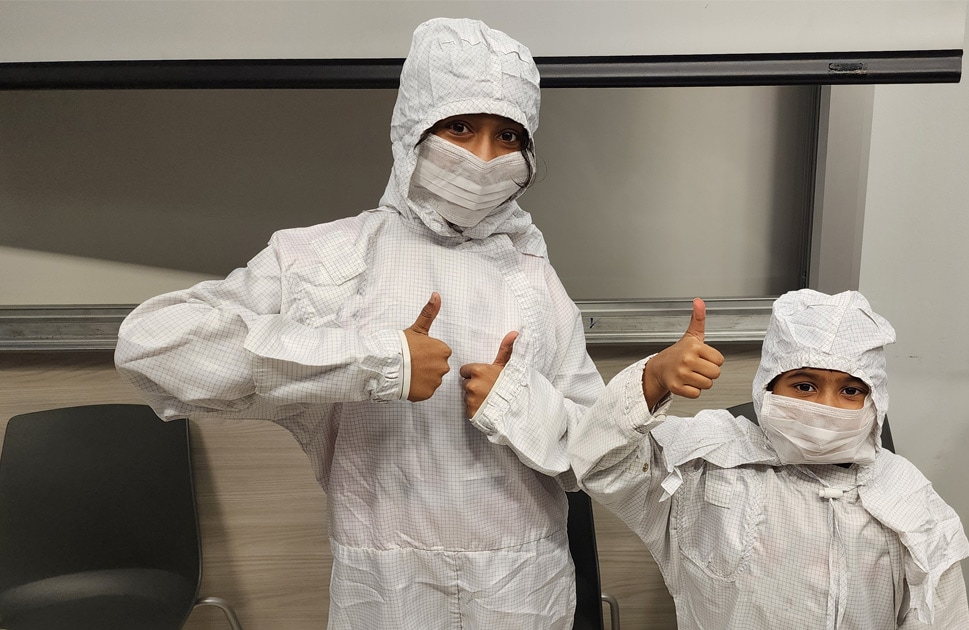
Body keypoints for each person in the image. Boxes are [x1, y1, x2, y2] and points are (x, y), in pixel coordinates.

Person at [115, 18, 603, 630]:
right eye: (459, 127)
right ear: (412, 129)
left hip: (522, 588)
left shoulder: (531, 272)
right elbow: (154, 347)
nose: (482, 158)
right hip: (386, 590)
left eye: (507, 135)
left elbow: (590, 456)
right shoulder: (330, 260)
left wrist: (523, 407)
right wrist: (374, 361)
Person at [568, 289, 969, 629]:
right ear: (768, 387)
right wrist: (652, 379)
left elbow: (941, 615)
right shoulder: (704, 463)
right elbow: (601, 464)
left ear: (875, 400)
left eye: (850, 391)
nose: (824, 408)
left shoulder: (907, 498)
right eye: (804, 385)